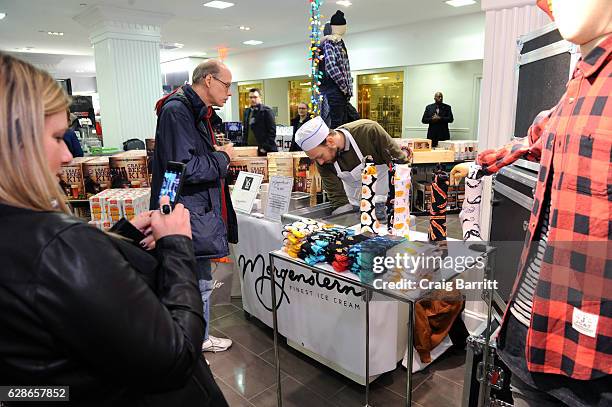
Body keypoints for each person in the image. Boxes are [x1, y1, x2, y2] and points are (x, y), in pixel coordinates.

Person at [0, 52, 228, 406]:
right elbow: (175, 357)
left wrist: (123, 237)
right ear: (14, 140)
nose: (66, 156)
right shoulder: (57, 244)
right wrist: (178, 246)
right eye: (58, 137)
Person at [451, 1, 611, 405]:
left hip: (588, 355)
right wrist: (479, 163)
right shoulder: (580, 84)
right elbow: (537, 136)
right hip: (530, 325)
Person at [151, 60, 237, 354]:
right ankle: (191, 346)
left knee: (200, 278)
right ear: (209, 80)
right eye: (227, 85)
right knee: (193, 281)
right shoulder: (178, 110)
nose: (229, 93)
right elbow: (183, 167)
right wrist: (223, 159)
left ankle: (198, 339)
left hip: (191, 208)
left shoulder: (193, 111)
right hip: (185, 210)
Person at [295, 117, 409, 214]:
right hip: (354, 208)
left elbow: (401, 166)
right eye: (315, 159)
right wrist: (346, 220)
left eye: (320, 156)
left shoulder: (368, 131)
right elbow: (337, 197)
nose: (320, 162)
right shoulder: (323, 161)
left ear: (330, 142)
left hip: (387, 205)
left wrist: (399, 205)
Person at [242, 88, 278, 155]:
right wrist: (244, 145)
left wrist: (265, 148)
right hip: (250, 149)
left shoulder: (267, 111)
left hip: (264, 150)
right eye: (250, 97)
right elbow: (245, 130)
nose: (252, 99)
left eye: (255, 97)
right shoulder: (247, 112)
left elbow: (272, 132)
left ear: (260, 98)